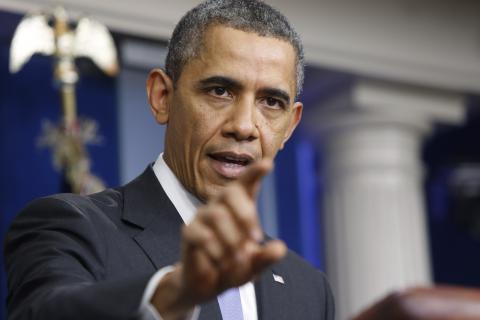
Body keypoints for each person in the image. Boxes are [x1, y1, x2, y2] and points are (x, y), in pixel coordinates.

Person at [4, 0, 335, 319]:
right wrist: (169, 297)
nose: (244, 126)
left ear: (290, 126)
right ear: (162, 97)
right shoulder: (72, 226)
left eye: (271, 102)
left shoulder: (309, 288)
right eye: (220, 91)